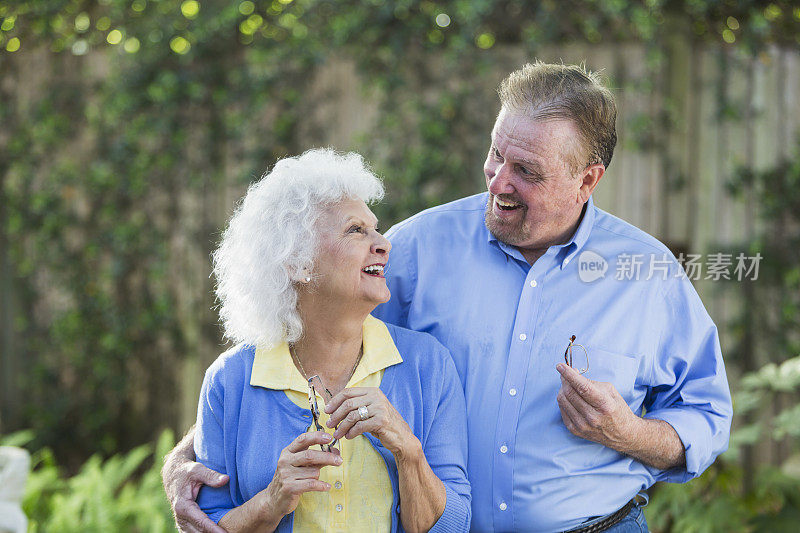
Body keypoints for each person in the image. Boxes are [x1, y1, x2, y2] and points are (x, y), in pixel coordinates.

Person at [163, 62, 732, 533]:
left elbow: (706, 415)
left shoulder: (649, 274)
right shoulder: (416, 248)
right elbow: (312, 350)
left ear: (587, 180)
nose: (498, 181)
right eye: (496, 156)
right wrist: (191, 454)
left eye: (526, 171)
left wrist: (626, 433)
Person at [181, 148, 471, 533]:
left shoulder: (428, 366)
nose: (383, 243)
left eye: (375, 228)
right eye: (356, 230)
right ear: (298, 262)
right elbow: (202, 526)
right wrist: (270, 502)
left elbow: (453, 527)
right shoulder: (230, 380)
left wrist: (407, 450)